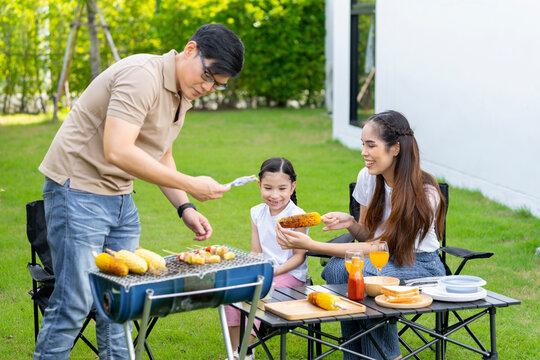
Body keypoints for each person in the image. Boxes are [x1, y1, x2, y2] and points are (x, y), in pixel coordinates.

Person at [34, 24, 244, 360]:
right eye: (207, 75)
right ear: (190, 49)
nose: (207, 87)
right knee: (74, 303)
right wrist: (191, 182)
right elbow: (117, 150)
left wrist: (185, 207)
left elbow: (160, 153)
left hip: (119, 198)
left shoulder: (181, 93)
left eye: (216, 85)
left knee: (122, 302)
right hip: (78, 190)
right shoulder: (142, 76)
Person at [276, 110, 447, 360]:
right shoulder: (368, 177)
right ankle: (355, 356)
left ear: (395, 149)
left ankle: (388, 356)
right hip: (383, 259)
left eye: (371, 145)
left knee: (365, 276)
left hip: (421, 265)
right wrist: (351, 224)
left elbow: (380, 248)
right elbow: (368, 237)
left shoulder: (425, 193)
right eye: (362, 144)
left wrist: (313, 244)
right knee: (337, 269)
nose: (364, 152)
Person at [224, 157, 308, 360]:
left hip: (289, 274)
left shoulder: (298, 216)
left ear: (292, 187)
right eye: (268, 188)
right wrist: (251, 270)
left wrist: (272, 272)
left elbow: (298, 257)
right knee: (231, 293)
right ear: (260, 185)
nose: (274, 195)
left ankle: (246, 350)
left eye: (282, 188)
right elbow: (256, 252)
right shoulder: (256, 212)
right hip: (263, 271)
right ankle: (236, 351)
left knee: (257, 292)